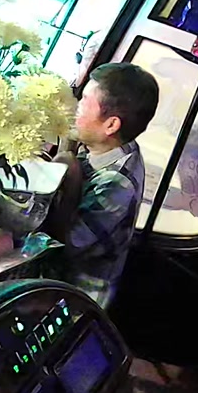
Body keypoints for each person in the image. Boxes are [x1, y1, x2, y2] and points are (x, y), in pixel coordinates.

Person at [45, 62, 158, 308]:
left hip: (74, 297)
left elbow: (67, 244)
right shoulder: (107, 144)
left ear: (111, 125)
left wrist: (69, 172)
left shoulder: (117, 184)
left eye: (84, 102)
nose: (77, 107)